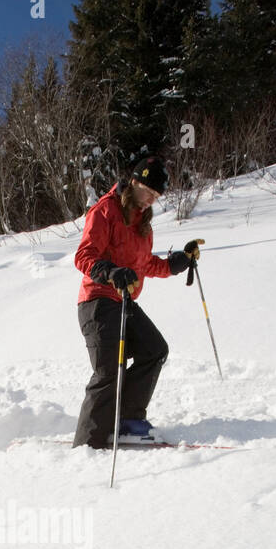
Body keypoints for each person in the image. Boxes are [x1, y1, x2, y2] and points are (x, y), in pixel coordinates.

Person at [72, 153, 202, 448]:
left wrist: (174, 263)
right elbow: (84, 256)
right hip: (98, 301)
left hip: (124, 303)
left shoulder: (143, 224)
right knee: (108, 371)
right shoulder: (105, 211)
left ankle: (128, 420)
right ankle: (86, 445)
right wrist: (110, 270)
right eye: (147, 192)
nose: (149, 200)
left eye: (156, 196)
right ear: (133, 182)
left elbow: (143, 265)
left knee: (154, 350)